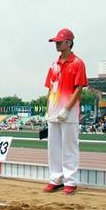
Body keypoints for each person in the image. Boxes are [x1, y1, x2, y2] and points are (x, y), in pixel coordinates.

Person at [43, 28, 87, 196]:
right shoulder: (53, 65)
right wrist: (48, 110)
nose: (57, 44)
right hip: (54, 112)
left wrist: (67, 109)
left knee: (69, 147)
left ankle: (70, 181)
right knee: (53, 148)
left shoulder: (78, 63)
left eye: (59, 42)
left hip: (68, 113)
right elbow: (49, 89)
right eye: (56, 42)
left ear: (69, 43)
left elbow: (79, 89)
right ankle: (55, 179)